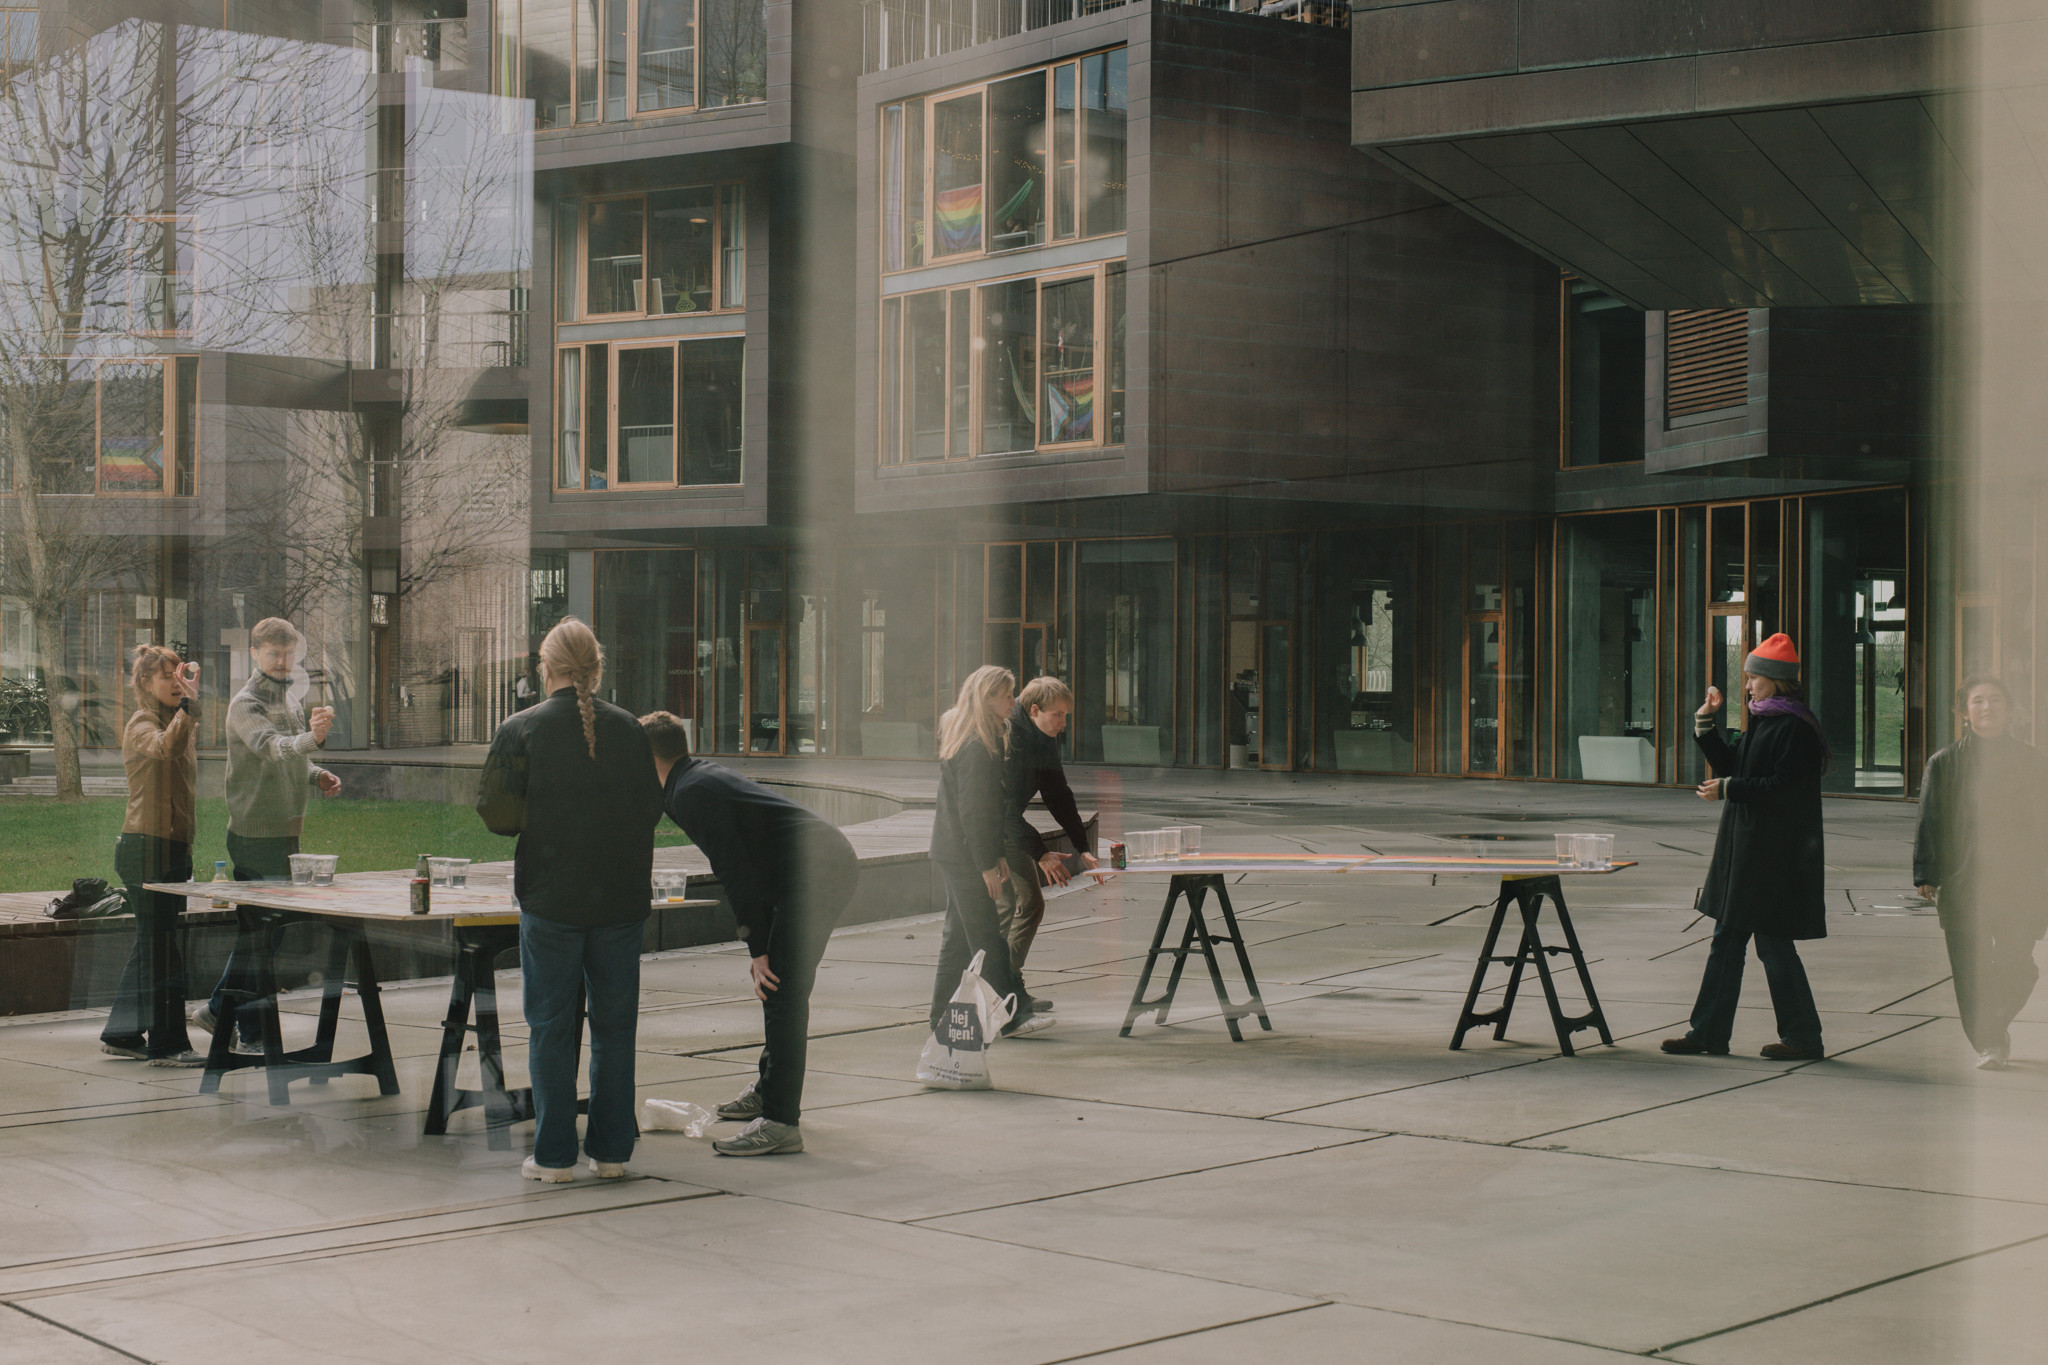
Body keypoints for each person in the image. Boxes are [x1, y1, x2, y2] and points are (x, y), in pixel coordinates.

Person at [477, 618, 661, 1182]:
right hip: (620, 902)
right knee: (614, 1029)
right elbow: (651, 808)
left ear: (544, 665)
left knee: (551, 1029)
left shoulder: (521, 729)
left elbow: (498, 816)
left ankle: (554, 1156)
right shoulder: (631, 729)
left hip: (551, 899)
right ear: (596, 668)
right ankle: (611, 1152)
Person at [640, 711, 860, 1156]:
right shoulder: (691, 779)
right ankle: (769, 1088)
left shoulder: (691, 792)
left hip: (817, 874)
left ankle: (780, 1121)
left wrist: (757, 948)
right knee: (779, 990)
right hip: (811, 869)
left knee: (781, 990)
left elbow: (734, 873)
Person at [1663, 633, 1830, 1061]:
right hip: (1749, 851)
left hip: (1773, 856)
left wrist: (1730, 788)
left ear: (1777, 681)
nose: (1748, 686)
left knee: (1770, 944)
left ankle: (1801, 1037)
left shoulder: (1794, 726)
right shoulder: (1765, 718)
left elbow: (1783, 788)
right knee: (1729, 939)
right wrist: (1705, 723)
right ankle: (1710, 1034)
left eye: (1754, 678)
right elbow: (1731, 765)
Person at [191, 617, 340, 1046]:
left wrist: (317, 775)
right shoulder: (247, 703)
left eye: (288, 653)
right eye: (274, 653)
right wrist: (312, 740)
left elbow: (292, 757)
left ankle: (220, 1010)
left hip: (284, 831)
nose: (282, 661)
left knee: (263, 937)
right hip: (255, 835)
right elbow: (272, 748)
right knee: (261, 938)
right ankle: (244, 1027)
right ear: (254, 653)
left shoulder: (288, 699)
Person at [1914, 677, 2048, 1069]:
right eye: (1978, 701)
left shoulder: (2032, 762)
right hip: (1963, 881)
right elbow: (1930, 820)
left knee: (2017, 966)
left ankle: (1993, 1027)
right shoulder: (1944, 762)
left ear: (2008, 709)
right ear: (1964, 713)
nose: (1987, 707)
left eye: (1995, 700)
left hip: (2019, 884)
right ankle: (1989, 1042)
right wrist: (1926, 872)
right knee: (1970, 973)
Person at [927, 664, 1052, 1042]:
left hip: (954, 850)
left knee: (957, 937)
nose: (1012, 702)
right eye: (1007, 695)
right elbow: (974, 810)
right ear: (987, 698)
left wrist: (994, 854)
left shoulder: (969, 736)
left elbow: (980, 810)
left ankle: (939, 1016)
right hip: (964, 855)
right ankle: (1011, 1014)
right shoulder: (977, 746)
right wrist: (985, 863)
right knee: (986, 936)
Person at [100, 646, 205, 1067]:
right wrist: (191, 708)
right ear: (145, 683)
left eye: (180, 677)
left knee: (153, 942)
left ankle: (123, 1032)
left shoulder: (174, 719)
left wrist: (186, 709)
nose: (177, 685)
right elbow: (165, 748)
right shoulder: (143, 723)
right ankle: (169, 1045)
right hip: (146, 847)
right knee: (163, 948)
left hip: (169, 848)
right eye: (167, 678)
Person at [998, 676, 1098, 1013]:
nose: (1063, 723)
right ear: (1035, 709)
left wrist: (1082, 846)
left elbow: (1058, 795)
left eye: (1066, 716)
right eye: (1058, 715)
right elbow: (1003, 810)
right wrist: (1040, 853)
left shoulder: (1040, 737)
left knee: (1020, 906)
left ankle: (1002, 989)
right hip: (990, 829)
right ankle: (1002, 991)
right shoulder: (1011, 741)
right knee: (1020, 904)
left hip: (1006, 827)